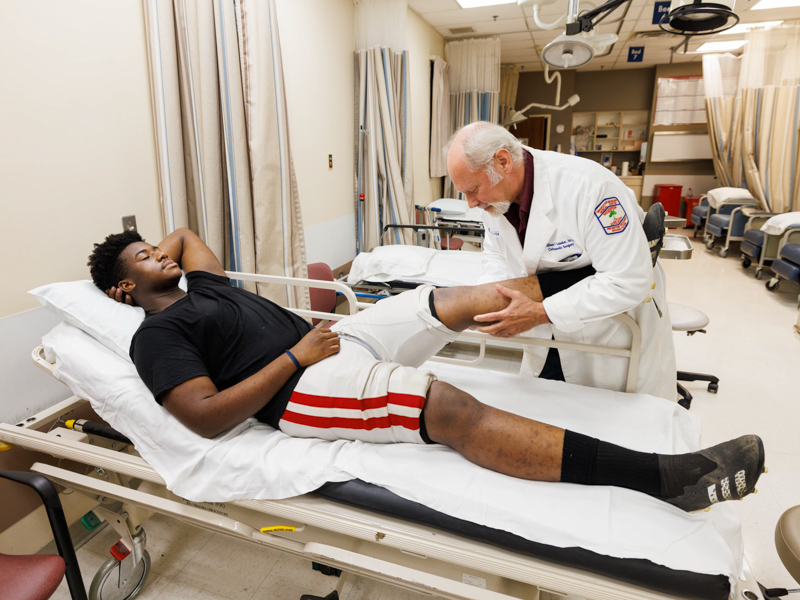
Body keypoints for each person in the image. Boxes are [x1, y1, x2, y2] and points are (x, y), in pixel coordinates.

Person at [87, 228, 765, 512]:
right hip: (303, 384)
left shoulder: (202, 288)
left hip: (339, 337)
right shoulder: (159, 334)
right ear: (122, 292)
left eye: (153, 249)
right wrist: (297, 356)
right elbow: (204, 418)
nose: (160, 254)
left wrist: (143, 252)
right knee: (446, 406)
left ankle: (597, 273)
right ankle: (665, 480)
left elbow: (184, 237)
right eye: (142, 260)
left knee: (452, 301)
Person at [446, 122, 676, 400]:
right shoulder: (495, 198)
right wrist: (486, 301)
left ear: (503, 162)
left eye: (473, 190)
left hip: (608, 331)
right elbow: (497, 254)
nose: (470, 203)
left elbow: (629, 281)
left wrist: (541, 313)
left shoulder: (591, 189)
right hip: (548, 333)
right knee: (546, 407)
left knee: (611, 424)